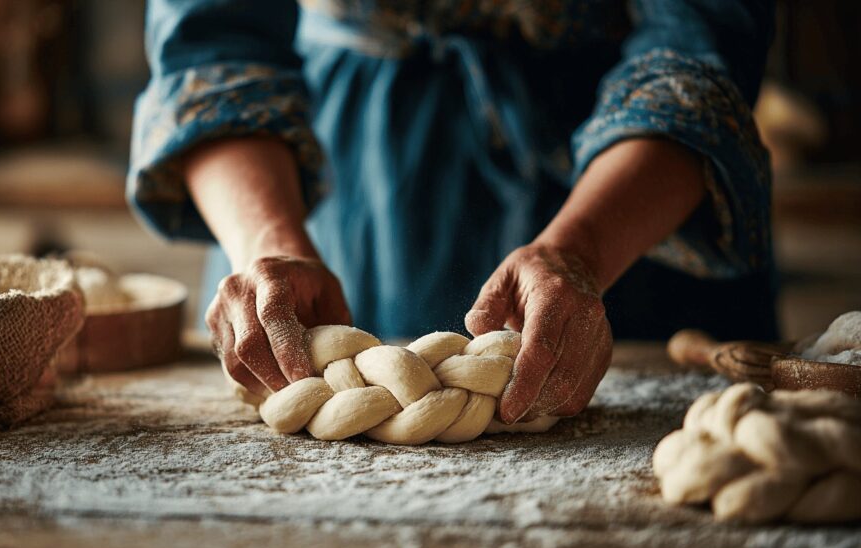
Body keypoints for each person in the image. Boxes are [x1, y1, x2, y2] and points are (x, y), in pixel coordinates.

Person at [128, 0, 778, 424]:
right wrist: (267, 240)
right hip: (331, 173)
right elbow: (211, 45)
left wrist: (581, 254)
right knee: (303, 356)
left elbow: (697, 45)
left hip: (631, 188)